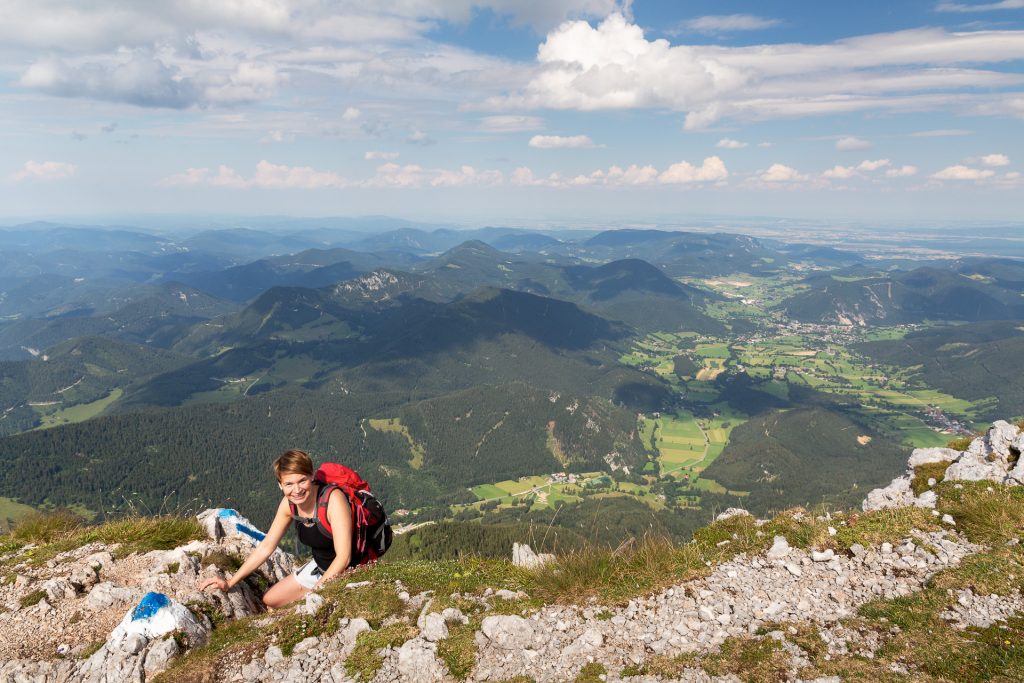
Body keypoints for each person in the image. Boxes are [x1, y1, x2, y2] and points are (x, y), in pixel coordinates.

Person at [198, 449, 354, 608]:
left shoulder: (333, 500)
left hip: (350, 568)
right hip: (321, 566)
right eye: (289, 484)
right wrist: (230, 583)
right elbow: (266, 546)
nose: (297, 490)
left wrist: (316, 593)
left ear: (312, 476)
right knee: (270, 600)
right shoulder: (289, 505)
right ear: (280, 485)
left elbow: (344, 557)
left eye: (302, 481)